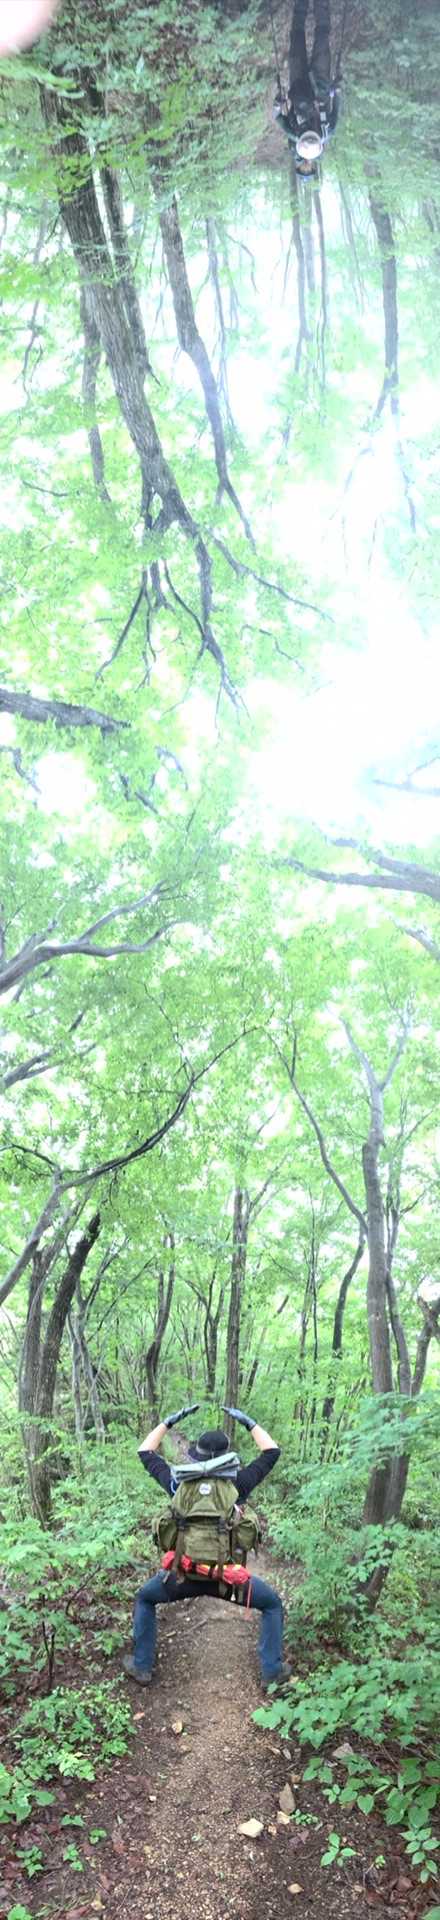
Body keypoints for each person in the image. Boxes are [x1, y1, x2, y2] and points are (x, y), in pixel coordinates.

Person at [123, 1402, 291, 1690]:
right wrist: (248, 1422)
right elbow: (271, 1452)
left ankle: (141, 1666)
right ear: (228, 1457)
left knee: (145, 1598)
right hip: (228, 1581)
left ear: (196, 1454)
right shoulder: (238, 1485)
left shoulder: (178, 1485)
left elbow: (145, 1452)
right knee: (272, 1604)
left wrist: (170, 1421)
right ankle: (271, 1673)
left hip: (182, 1576)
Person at [275, 0, 341, 178]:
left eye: (302, 169)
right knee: (322, 36)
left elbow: (278, 117)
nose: (306, 166)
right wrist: (337, 91)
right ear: (314, 167)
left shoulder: (294, 136)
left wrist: (277, 104)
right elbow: (336, 110)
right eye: (309, 169)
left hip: (298, 84)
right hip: (321, 84)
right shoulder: (326, 132)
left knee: (297, 36)